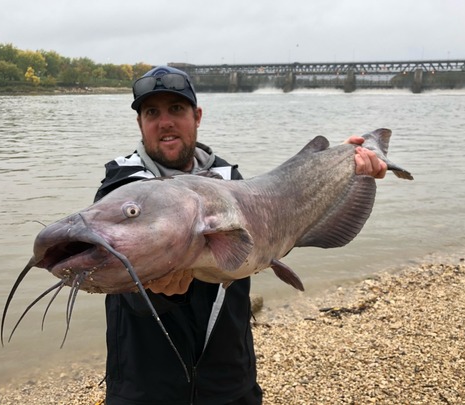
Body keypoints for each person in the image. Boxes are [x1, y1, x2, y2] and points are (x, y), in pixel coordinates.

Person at [94, 66, 387, 405]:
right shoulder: (120, 187)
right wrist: (153, 290)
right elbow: (112, 271)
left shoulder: (230, 178)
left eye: (176, 109)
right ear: (140, 123)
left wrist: (341, 164)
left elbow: (274, 233)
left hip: (230, 380)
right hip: (145, 389)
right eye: (152, 113)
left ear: (197, 116)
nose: (165, 122)